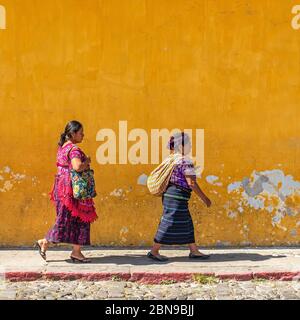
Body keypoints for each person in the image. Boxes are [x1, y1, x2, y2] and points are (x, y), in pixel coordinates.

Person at [36, 120, 98, 263]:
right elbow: (77, 167)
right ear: (73, 133)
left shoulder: (62, 147)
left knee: (69, 220)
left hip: (61, 188)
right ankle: (46, 242)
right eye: (81, 133)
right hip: (73, 190)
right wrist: (87, 162)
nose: (83, 135)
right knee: (78, 219)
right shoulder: (74, 149)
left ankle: (75, 252)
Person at [147, 132, 211, 262]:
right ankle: (154, 251)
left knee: (186, 222)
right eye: (189, 144)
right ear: (181, 146)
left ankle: (194, 250)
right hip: (177, 196)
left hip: (170, 195)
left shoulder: (171, 159)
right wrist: (204, 198)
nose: (191, 146)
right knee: (168, 222)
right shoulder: (185, 161)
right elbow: (191, 183)